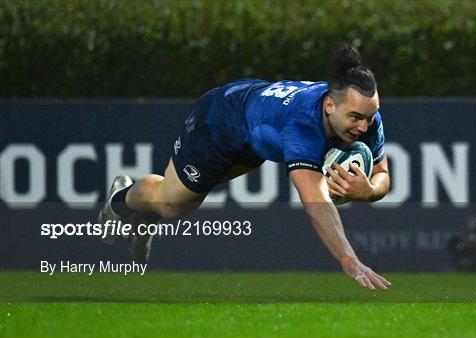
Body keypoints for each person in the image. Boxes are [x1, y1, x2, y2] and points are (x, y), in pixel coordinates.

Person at [98, 43, 391, 291]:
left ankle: (147, 213)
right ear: (329, 105)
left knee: (171, 204)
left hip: (252, 133)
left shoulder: (366, 118)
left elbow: (383, 176)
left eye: (370, 116)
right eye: (355, 117)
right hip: (219, 122)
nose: (364, 126)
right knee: (175, 205)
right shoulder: (302, 128)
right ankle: (120, 202)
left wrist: (368, 191)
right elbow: (316, 203)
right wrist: (348, 260)